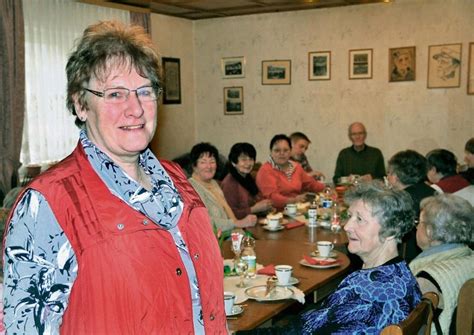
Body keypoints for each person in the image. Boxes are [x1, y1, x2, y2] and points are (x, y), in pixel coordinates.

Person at [3, 21, 226, 334]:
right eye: (115, 94)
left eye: (145, 91)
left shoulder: (178, 180)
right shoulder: (49, 204)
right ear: (81, 104)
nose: (135, 109)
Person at [238, 181, 421, 334]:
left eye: (360, 219)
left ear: (390, 231)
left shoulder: (364, 291)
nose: (347, 226)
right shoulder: (402, 274)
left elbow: (303, 331)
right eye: (349, 217)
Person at [410, 194, 474, 334]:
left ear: (429, 231)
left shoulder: (426, 278)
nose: (416, 228)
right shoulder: (470, 258)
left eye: (418, 222)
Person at [188, 142, 257, 232]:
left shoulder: (214, 183)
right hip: (213, 240)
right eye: (203, 162)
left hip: (231, 234)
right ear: (194, 166)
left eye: (212, 162)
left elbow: (229, 214)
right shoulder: (190, 188)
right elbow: (201, 221)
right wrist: (237, 223)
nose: (209, 166)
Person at [387, 150, 436, 263]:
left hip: (408, 260)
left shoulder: (398, 201)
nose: (387, 177)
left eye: (389, 173)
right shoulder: (434, 192)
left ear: (395, 177)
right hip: (434, 255)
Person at [256, 134, 325, 210]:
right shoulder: (265, 170)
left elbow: (310, 184)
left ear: (290, 151)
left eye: (285, 150)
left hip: (297, 210)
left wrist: (327, 189)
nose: (282, 153)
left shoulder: (296, 167)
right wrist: (294, 200)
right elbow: (273, 198)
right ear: (271, 152)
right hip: (274, 214)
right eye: (277, 150)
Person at [221, 143, 273, 219]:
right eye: (244, 159)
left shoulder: (249, 177)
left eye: (251, 159)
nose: (248, 163)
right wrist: (254, 209)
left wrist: (266, 206)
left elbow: (257, 199)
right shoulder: (229, 183)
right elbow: (229, 214)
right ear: (234, 162)